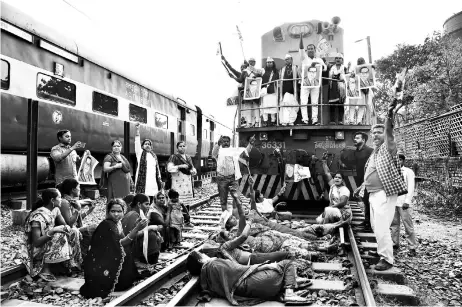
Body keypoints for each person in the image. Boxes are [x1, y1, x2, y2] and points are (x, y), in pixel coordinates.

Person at [354, 100, 407, 271]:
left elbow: (390, 130)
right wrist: (361, 186)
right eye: (373, 133)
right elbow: (371, 173)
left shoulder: (388, 147)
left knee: (382, 228)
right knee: (376, 227)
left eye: (379, 132)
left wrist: (390, 112)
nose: (375, 135)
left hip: (384, 193)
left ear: (385, 134)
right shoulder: (375, 153)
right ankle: (381, 252)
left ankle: (387, 259)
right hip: (374, 194)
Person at [187, 251, 311, 305]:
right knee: (286, 263)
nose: (205, 255)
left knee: (278, 268)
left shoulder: (205, 277)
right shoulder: (214, 264)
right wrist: (266, 265)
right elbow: (241, 270)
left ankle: (289, 282)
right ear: (200, 259)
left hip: (246, 293)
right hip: (252, 283)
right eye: (202, 254)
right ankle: (289, 290)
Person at [80, 199, 147, 298]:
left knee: (126, 252)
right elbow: (122, 243)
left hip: (110, 258)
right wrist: (136, 229)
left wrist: (135, 227)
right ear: (108, 212)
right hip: (103, 263)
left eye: (119, 211)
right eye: (113, 211)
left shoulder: (117, 223)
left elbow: (123, 238)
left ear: (124, 212)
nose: (116, 214)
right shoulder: (108, 224)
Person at [18, 188, 82, 282]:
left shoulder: (55, 210)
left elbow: (66, 226)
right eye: (59, 197)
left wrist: (77, 210)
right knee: (59, 235)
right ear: (52, 200)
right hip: (34, 249)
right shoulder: (37, 217)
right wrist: (53, 230)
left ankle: (69, 265)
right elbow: (36, 242)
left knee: (73, 231)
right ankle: (45, 270)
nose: (61, 200)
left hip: (45, 243)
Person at [212, 135, 255, 213]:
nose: (225, 143)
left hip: (233, 178)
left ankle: (235, 214)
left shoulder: (233, 151)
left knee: (236, 197)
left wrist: (250, 144)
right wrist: (218, 144)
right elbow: (213, 154)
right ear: (221, 142)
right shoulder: (219, 150)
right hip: (222, 179)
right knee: (223, 199)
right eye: (224, 141)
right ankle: (225, 218)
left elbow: (245, 151)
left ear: (229, 142)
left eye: (227, 141)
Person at [340, 132, 374, 229]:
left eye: (357, 138)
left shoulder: (370, 151)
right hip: (360, 178)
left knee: (369, 201)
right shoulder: (356, 151)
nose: (355, 139)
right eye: (354, 138)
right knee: (365, 201)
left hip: (368, 179)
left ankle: (370, 223)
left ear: (363, 140)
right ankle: (367, 221)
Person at [58, 179, 96, 258]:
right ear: (73, 190)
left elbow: (75, 218)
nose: (80, 189)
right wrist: (77, 209)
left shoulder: (72, 201)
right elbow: (69, 223)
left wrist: (88, 212)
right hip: (69, 232)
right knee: (94, 228)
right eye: (79, 187)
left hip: (74, 229)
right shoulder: (65, 202)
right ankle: (82, 254)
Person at [122, 194, 163, 264]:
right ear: (139, 204)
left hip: (130, 247)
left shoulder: (135, 214)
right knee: (151, 235)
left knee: (154, 234)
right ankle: (146, 261)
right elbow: (132, 235)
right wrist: (150, 228)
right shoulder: (133, 215)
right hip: (128, 249)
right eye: (146, 204)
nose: (148, 206)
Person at [390, 153, 417, 256]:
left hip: (403, 202)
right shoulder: (391, 172)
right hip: (393, 202)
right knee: (394, 225)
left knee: (408, 225)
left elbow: (410, 187)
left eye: (399, 160)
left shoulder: (408, 172)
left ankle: (412, 247)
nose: (397, 162)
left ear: (403, 161)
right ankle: (394, 244)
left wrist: (407, 201)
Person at [299, 37, 326, 125]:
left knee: (314, 102)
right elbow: (301, 49)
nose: (310, 50)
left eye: (312, 49)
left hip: (315, 84)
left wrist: (317, 64)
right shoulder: (304, 58)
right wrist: (301, 37)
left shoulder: (319, 60)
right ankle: (305, 120)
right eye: (309, 49)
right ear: (307, 51)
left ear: (315, 50)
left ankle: (314, 119)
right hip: (305, 83)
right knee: (303, 101)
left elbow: (325, 68)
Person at [134, 123, 163, 202]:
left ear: (151, 146)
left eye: (149, 144)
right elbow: (137, 143)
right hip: (143, 182)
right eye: (145, 144)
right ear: (142, 146)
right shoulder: (140, 153)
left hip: (153, 182)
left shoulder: (153, 155)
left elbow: (157, 169)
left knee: (152, 199)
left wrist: (159, 179)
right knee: (143, 199)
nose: (147, 145)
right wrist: (137, 130)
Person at [279, 54, 300, 126]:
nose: (287, 60)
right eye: (286, 59)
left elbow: (299, 77)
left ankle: (291, 121)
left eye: (288, 59)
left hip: (293, 90)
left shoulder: (296, 67)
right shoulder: (282, 69)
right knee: (285, 106)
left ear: (291, 59)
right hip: (285, 91)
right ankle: (285, 121)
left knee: (293, 106)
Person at [260, 57, 279, 127]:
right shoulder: (262, 71)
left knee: (273, 107)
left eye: (270, 62)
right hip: (265, 91)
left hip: (273, 91)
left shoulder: (276, 71)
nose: (269, 63)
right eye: (268, 62)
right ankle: (265, 121)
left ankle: (273, 121)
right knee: (265, 107)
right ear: (266, 63)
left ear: (273, 63)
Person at [328, 53, 346, 125]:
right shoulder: (331, 68)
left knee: (341, 105)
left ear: (342, 60)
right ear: (335, 60)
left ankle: (340, 120)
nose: (338, 59)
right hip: (333, 88)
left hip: (341, 89)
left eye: (339, 58)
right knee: (332, 104)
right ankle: (332, 121)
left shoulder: (345, 68)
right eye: (336, 58)